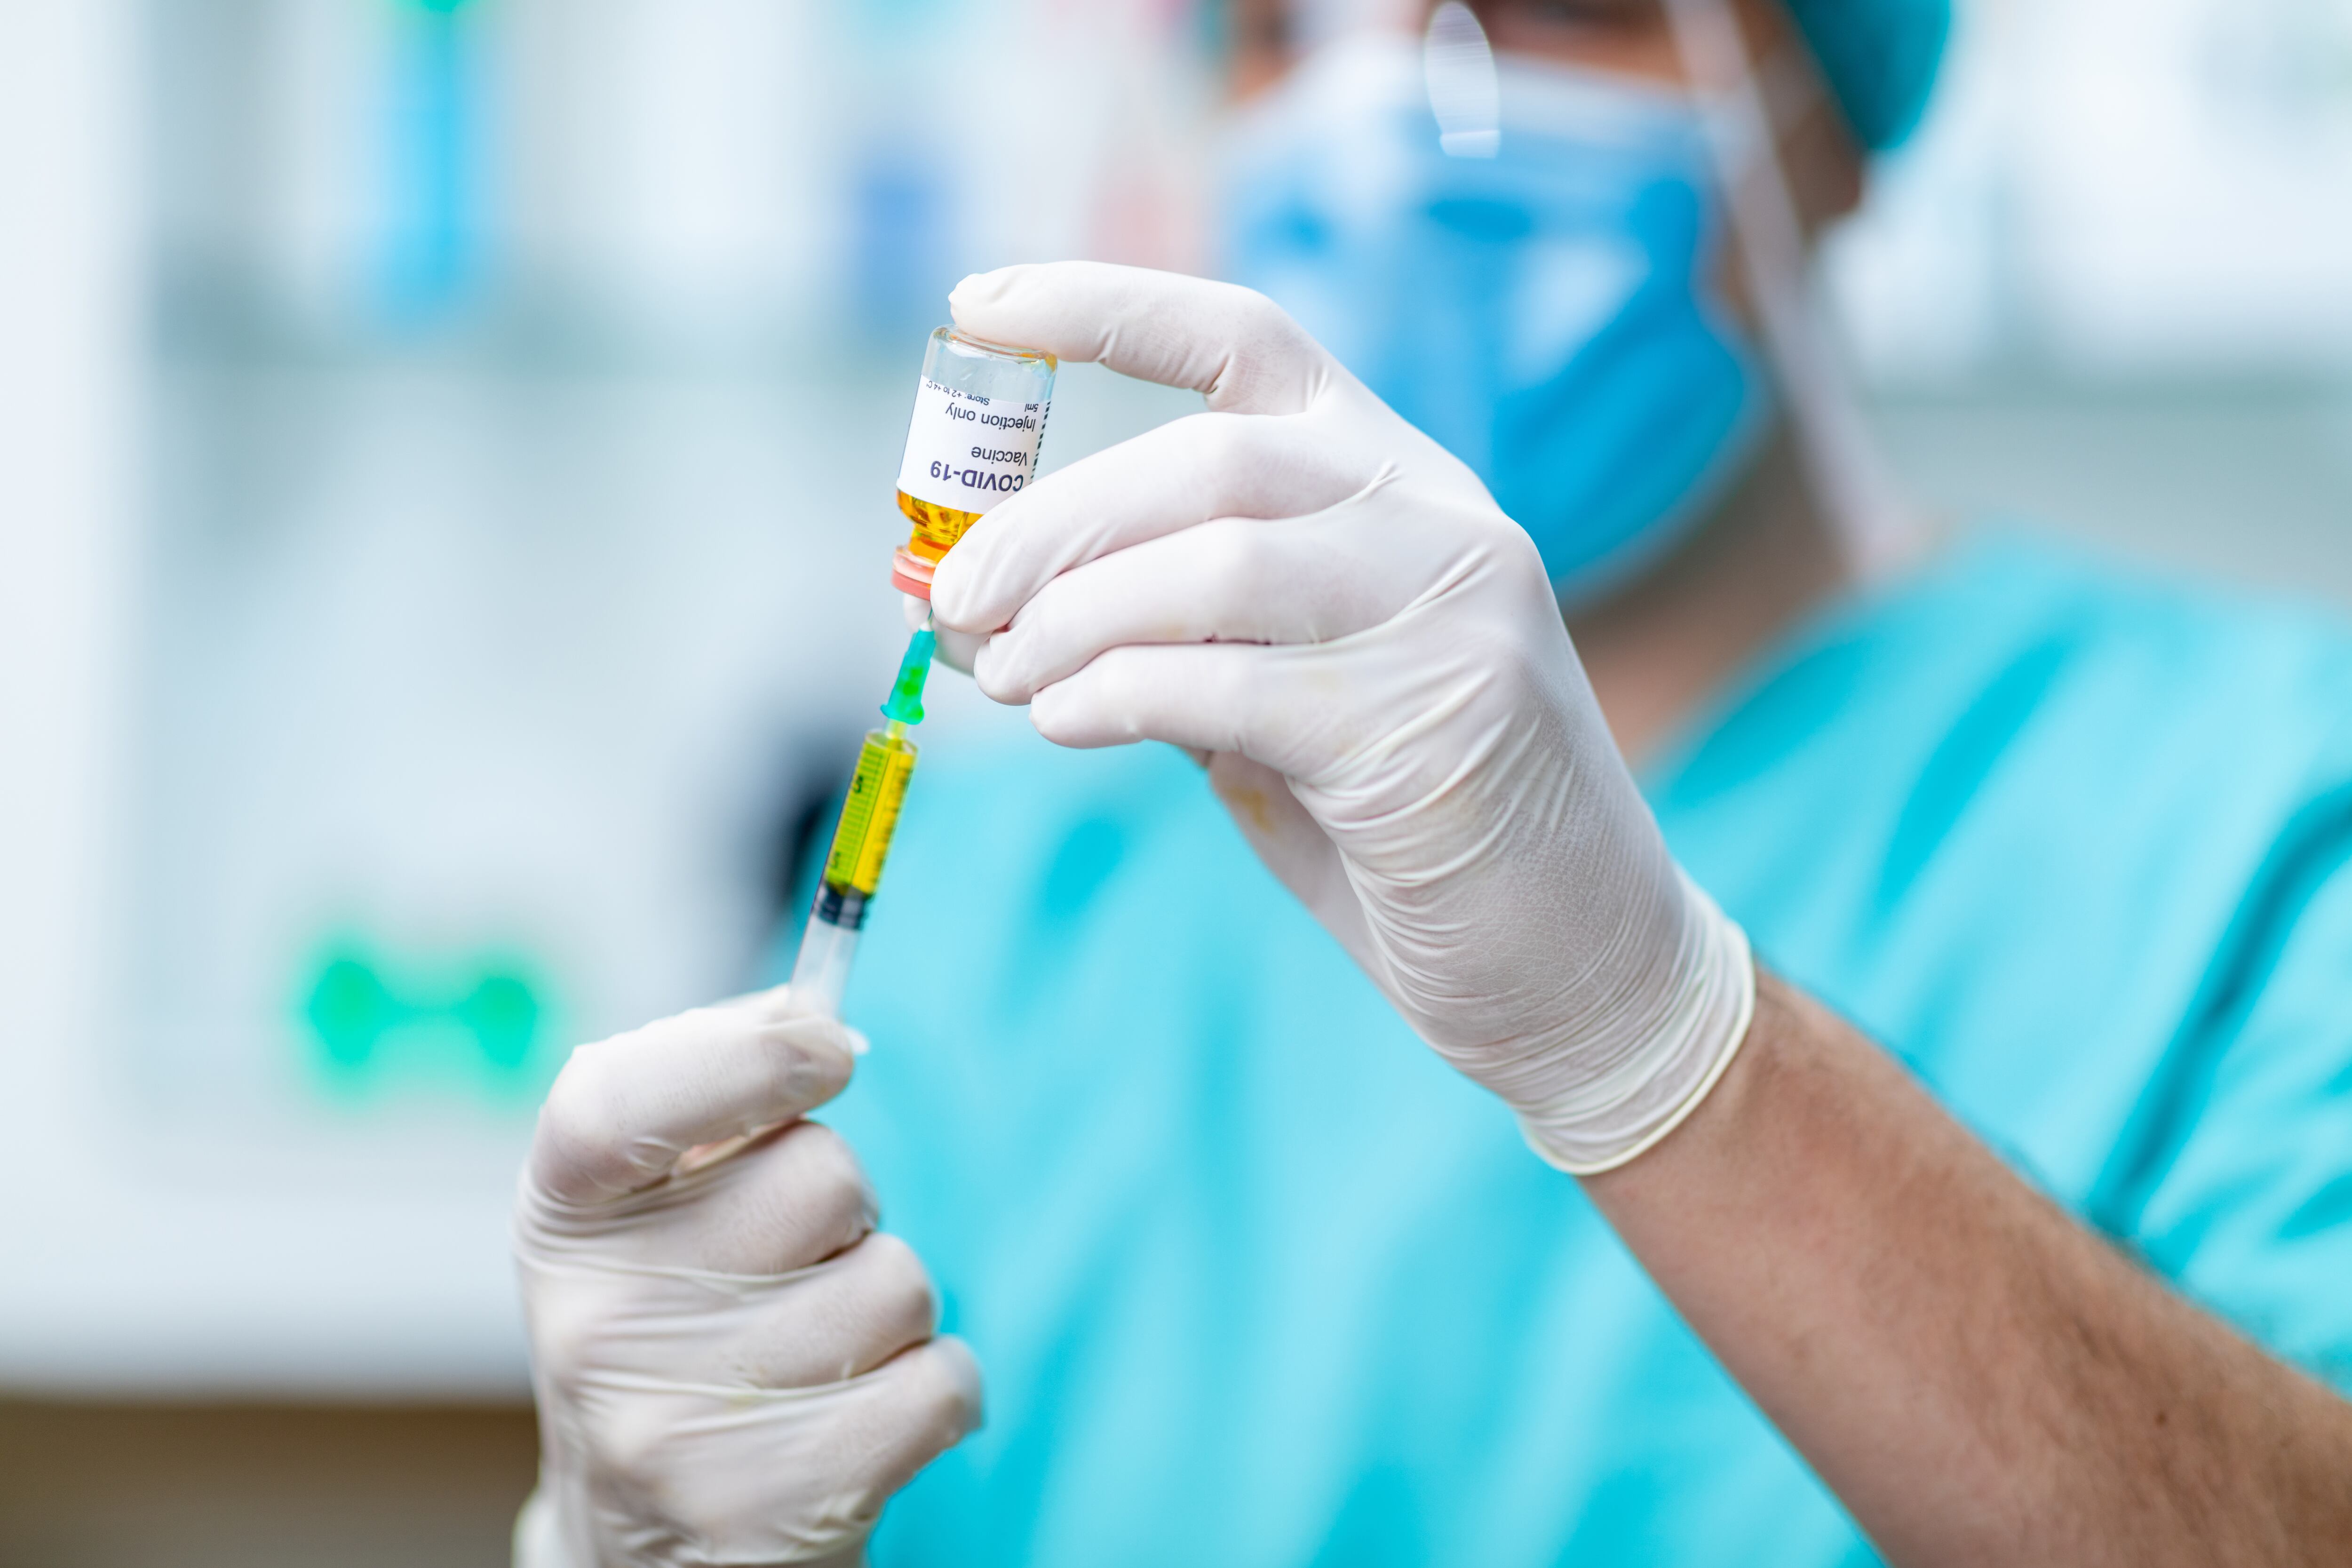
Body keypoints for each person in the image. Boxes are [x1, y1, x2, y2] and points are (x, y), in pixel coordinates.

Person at [510, 0, 2352, 1563]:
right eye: (1283, 26)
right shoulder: (994, 905)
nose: (1388, 111)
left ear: (1825, 116)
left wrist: (1660, 1045)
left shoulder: (2254, 810)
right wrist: (608, 1535)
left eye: (1542, 7)